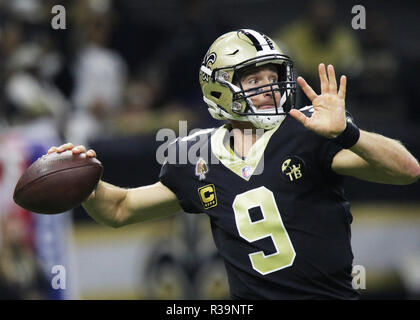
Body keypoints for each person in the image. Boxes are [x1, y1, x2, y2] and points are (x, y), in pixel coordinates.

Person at [48, 29, 420, 299]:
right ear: (219, 88)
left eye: (273, 78)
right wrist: (85, 181)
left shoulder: (305, 130)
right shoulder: (196, 155)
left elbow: (406, 170)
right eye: (254, 79)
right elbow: (119, 209)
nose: (269, 88)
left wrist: (349, 133)